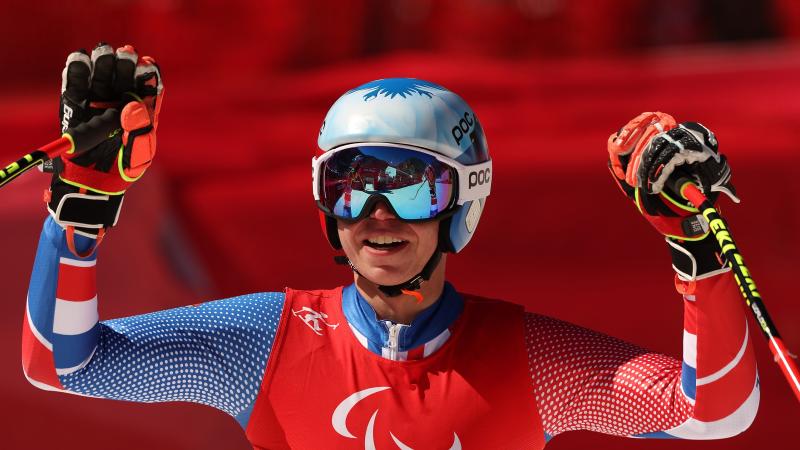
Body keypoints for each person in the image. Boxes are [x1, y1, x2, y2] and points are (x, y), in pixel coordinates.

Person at [21, 43, 759, 449]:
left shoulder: (527, 360)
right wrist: (81, 207)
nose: (378, 215)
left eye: (412, 188)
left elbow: (715, 413)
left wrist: (694, 246)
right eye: (350, 185)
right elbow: (62, 365)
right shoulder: (266, 343)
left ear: (462, 202)